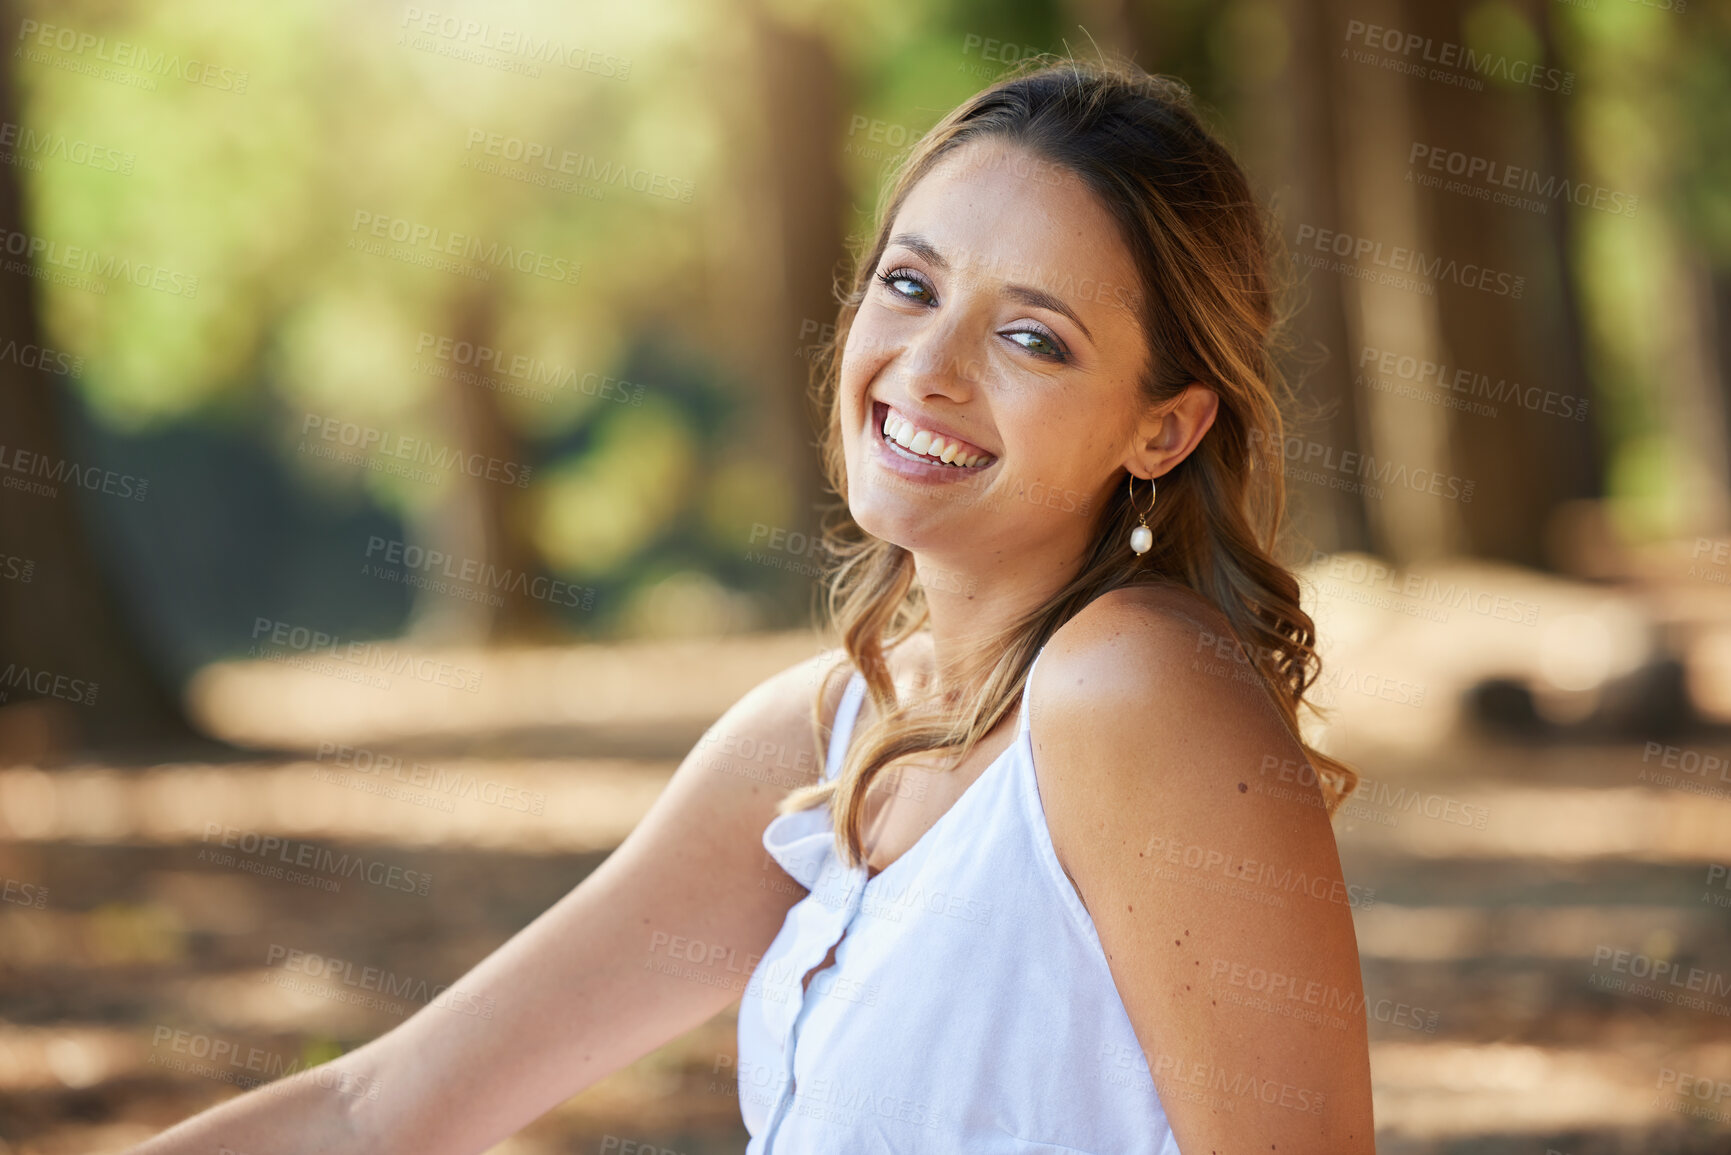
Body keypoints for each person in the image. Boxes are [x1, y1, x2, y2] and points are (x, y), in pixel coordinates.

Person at [131, 55, 1374, 1155]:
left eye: (1034, 339)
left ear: (1166, 426)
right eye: (910, 284)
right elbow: (385, 1111)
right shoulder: (827, 733)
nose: (928, 370)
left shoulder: (1130, 686)